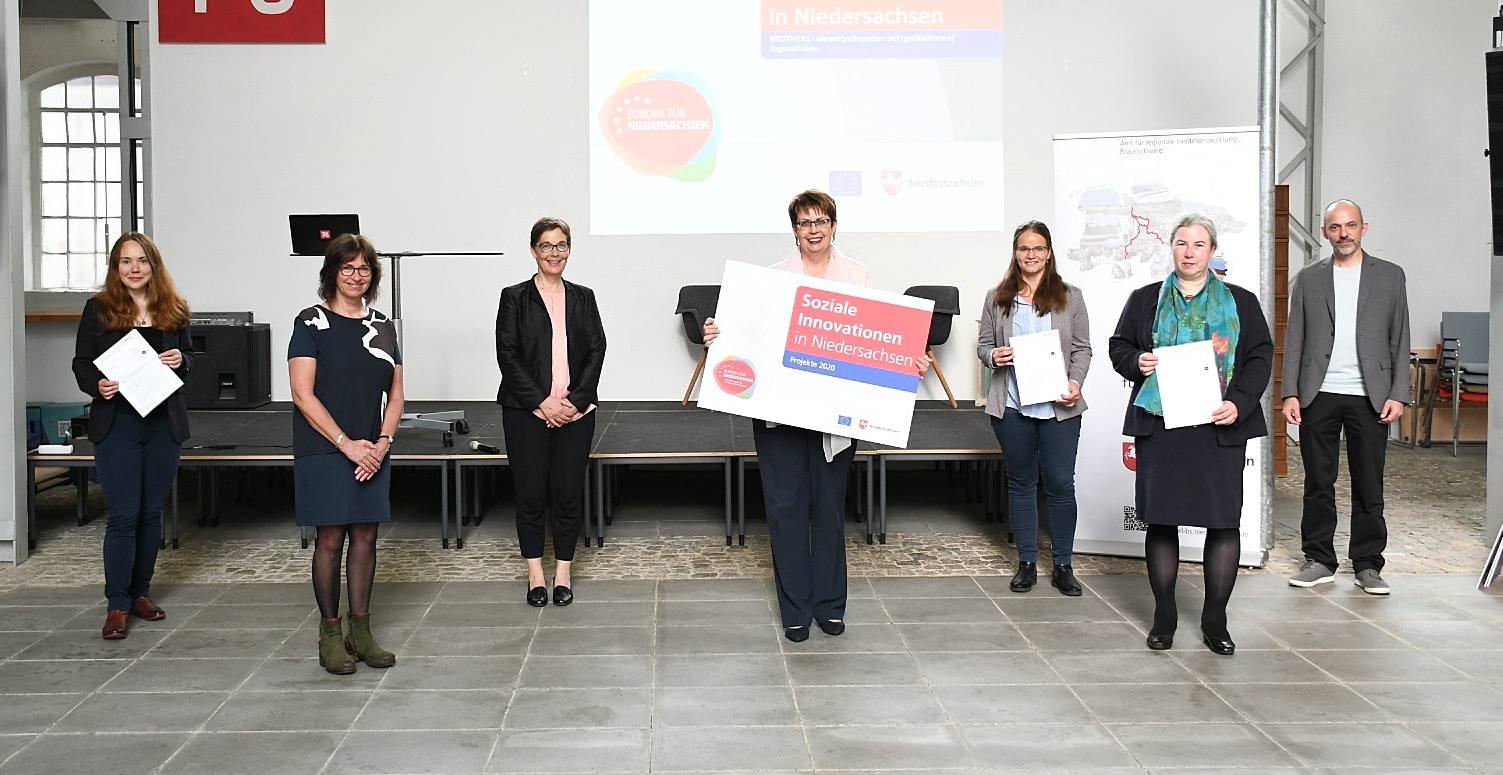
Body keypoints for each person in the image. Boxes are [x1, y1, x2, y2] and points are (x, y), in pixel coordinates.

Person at [704, 190, 929, 642]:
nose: (814, 229)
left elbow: (874, 339)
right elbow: (750, 338)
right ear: (795, 229)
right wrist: (719, 336)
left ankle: (829, 604)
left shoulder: (858, 275)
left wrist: (908, 360)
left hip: (835, 417)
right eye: (805, 222)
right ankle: (795, 608)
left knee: (828, 509)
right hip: (780, 416)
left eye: (821, 221)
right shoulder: (771, 277)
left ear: (833, 226)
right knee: (786, 509)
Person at [1109, 214, 1272, 656]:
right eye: (1182, 243)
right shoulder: (1145, 298)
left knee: (1223, 522)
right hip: (1162, 428)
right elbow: (1119, 346)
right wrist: (1137, 361)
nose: (1189, 252)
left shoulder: (1241, 302)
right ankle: (1164, 616)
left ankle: (1215, 620)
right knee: (1162, 519)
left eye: (1199, 244)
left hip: (1219, 427)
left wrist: (1239, 402)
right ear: (1172, 248)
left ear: (1212, 251)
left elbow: (1260, 356)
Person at [1282, 200, 1410, 595]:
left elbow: (1400, 335)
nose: (1343, 233)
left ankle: (1368, 565)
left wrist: (1399, 393)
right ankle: (1319, 559)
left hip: (1371, 395)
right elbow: (1295, 336)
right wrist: (1290, 392)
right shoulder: (1309, 278)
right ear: (1325, 232)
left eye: (1350, 225)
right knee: (1318, 483)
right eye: (1335, 227)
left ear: (1363, 228)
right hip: (1317, 393)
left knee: (1369, 484)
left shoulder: (1390, 275)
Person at [289, 233, 403, 674]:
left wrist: (382, 443)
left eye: (364, 268)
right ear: (332, 273)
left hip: (372, 448)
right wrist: (345, 444)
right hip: (325, 447)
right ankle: (330, 635)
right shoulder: (309, 322)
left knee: (366, 537)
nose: (356, 276)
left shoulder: (384, 327)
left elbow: (396, 394)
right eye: (347, 267)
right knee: (331, 538)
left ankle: (362, 632)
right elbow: (302, 394)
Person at [72, 233, 193, 640]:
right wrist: (97, 385)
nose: (134, 268)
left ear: (153, 265)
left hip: (163, 425)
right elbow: (81, 363)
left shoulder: (174, 309)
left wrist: (181, 359)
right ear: (116, 267)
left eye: (141, 260)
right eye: (126, 261)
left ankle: (141, 593)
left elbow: (191, 360)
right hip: (118, 424)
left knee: (151, 513)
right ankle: (118, 604)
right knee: (123, 515)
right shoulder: (99, 309)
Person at [495, 217, 607, 608]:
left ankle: (563, 572)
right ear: (533, 250)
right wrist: (542, 402)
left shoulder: (584, 297)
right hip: (526, 412)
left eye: (561, 245)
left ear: (569, 250)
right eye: (546, 245)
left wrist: (574, 401)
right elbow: (507, 355)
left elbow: (597, 350)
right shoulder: (514, 297)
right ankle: (535, 574)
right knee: (529, 493)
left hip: (576, 413)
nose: (554, 253)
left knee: (567, 493)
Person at [977, 220, 1091, 596]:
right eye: (1024, 248)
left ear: (1049, 253)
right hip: (1012, 406)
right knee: (1022, 482)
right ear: (1016, 253)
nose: (1031, 255)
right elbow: (983, 346)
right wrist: (994, 356)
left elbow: (1082, 349)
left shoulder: (1070, 296)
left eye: (1038, 248)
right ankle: (1026, 562)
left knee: (1060, 483)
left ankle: (1063, 565)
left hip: (1059, 407)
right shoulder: (997, 298)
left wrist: (1075, 383)